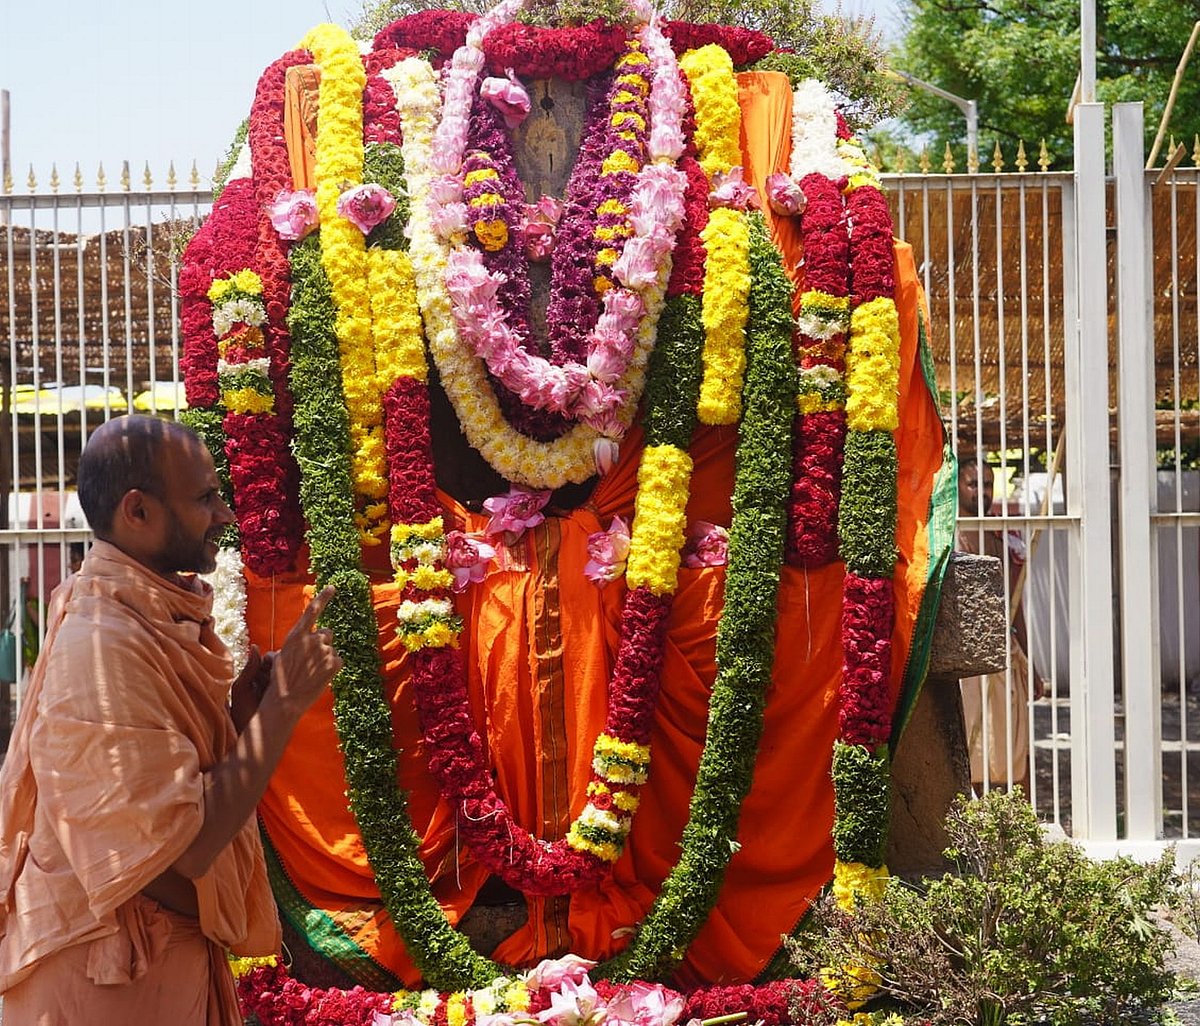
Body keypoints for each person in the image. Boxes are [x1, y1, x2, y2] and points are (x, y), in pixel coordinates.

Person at [0, 415, 342, 1024]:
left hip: (153, 964)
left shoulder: (136, 616)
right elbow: (179, 851)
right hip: (107, 977)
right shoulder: (102, 643)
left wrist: (240, 717)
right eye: (206, 497)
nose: (226, 516)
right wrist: (284, 708)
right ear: (138, 512)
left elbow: (167, 788)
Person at [957, 454, 1043, 795]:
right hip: (963, 656)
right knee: (969, 742)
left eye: (989, 484)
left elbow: (1014, 601)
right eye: (974, 483)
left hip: (1003, 651)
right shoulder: (945, 533)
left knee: (1010, 742)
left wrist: (1030, 661)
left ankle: (1008, 815)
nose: (983, 491)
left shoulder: (1001, 535)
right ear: (959, 486)